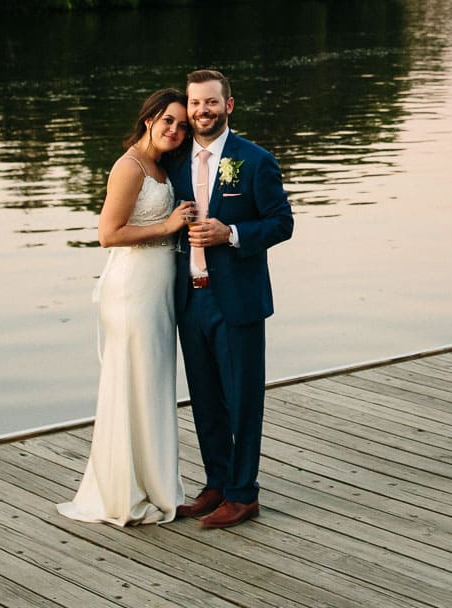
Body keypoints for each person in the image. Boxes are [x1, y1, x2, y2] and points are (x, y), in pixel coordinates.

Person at [58, 89, 193, 526]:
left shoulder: (160, 164)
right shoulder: (129, 165)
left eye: (182, 125)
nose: (176, 130)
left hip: (156, 291)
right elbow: (108, 234)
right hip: (132, 289)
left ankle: (154, 482)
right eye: (168, 121)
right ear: (149, 117)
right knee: (132, 382)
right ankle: (123, 490)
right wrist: (169, 224)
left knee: (151, 384)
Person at [169, 69, 294, 529]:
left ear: (229, 106)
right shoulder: (176, 160)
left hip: (237, 301)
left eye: (211, 103)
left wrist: (233, 233)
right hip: (190, 299)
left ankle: (244, 493)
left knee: (242, 398)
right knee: (204, 398)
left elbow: (282, 223)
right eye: (195, 103)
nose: (202, 110)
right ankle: (217, 483)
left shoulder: (255, 160)